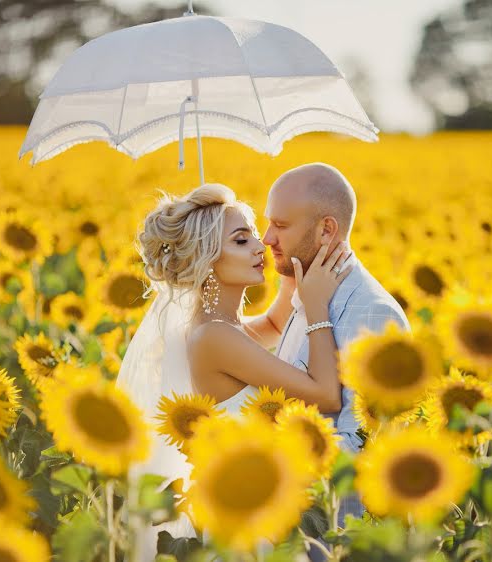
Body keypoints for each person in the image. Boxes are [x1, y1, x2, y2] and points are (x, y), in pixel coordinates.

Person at [117, 182, 351, 560]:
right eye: (241, 241)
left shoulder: (216, 326)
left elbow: (276, 322)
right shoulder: (215, 337)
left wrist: (294, 260)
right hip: (244, 525)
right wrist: (318, 308)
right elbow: (325, 394)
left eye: (256, 236)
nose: (260, 246)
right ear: (207, 257)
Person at [243, 162, 411, 558]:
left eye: (281, 225)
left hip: (335, 542)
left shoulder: (372, 313)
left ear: (326, 230)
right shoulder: (309, 290)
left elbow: (363, 445)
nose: (267, 238)